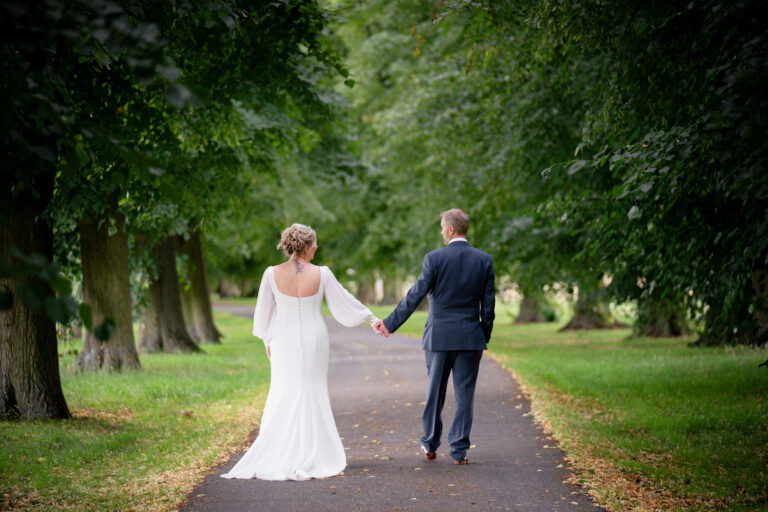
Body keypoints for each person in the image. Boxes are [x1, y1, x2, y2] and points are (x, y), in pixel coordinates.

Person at [221, 223, 385, 481]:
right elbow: (345, 301)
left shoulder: (270, 273)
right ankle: (313, 451)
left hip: (282, 340)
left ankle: (282, 449)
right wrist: (371, 318)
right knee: (312, 389)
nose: (317, 248)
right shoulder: (322, 273)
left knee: (283, 389)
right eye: (315, 244)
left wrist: (268, 340)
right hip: (314, 339)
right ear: (307, 248)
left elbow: (263, 314)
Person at [375, 208, 495, 465]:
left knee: (435, 392)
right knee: (465, 395)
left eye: (442, 227)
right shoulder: (484, 260)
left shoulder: (434, 259)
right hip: (470, 338)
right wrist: (481, 334)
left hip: (438, 338)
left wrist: (390, 323)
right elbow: (489, 306)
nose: (441, 231)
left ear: (451, 229)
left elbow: (415, 295)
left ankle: (430, 444)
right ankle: (459, 452)